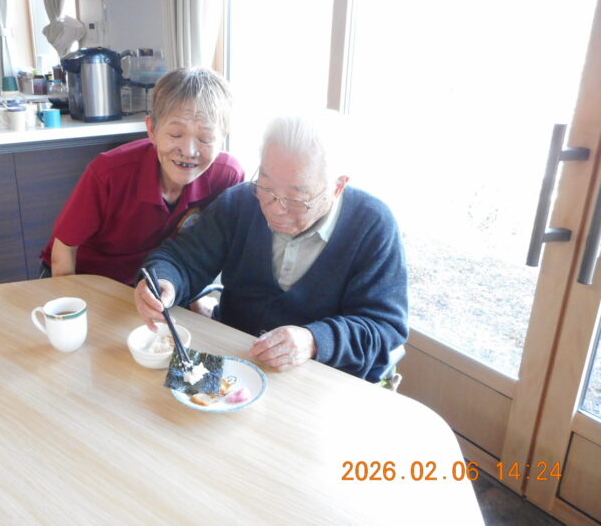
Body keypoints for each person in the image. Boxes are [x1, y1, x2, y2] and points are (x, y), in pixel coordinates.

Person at [133, 110, 408, 382]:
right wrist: (163, 282)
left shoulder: (373, 225)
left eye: (296, 198)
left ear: (337, 187)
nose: (275, 208)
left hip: (322, 381)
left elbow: (384, 327)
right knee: (154, 399)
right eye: (265, 187)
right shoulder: (240, 203)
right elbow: (181, 259)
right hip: (236, 362)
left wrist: (314, 340)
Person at [39, 67, 243, 286]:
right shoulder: (109, 173)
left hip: (145, 281)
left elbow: (208, 249)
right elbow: (64, 249)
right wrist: (70, 300)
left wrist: (192, 294)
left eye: (205, 138)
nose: (189, 151)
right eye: (176, 135)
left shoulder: (227, 176)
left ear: (223, 138)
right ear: (152, 130)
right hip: (82, 276)